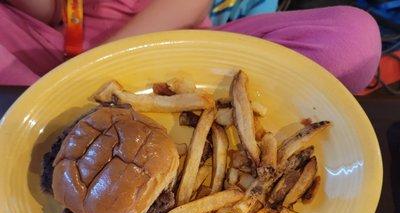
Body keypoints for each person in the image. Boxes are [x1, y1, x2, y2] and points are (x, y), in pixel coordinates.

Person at [0, 0, 381, 93]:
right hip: (53, 55)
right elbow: (48, 12)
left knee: (352, 37)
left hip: (180, 50)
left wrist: (100, 68)